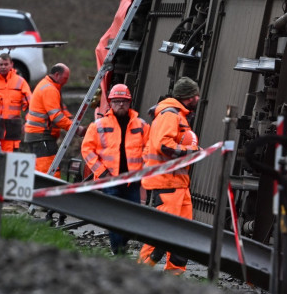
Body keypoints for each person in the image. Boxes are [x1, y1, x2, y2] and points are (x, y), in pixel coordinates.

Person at [137, 77, 200, 275]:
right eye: (196, 94)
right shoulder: (170, 115)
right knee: (160, 233)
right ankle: (141, 271)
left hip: (178, 184)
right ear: (190, 97)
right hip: (167, 184)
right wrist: (191, 151)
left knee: (182, 233)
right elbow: (164, 146)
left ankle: (174, 275)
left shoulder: (177, 115)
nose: (198, 98)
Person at [81, 83, 150, 255]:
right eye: (117, 101)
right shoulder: (98, 125)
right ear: (110, 103)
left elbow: (149, 149)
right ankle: (117, 251)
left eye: (124, 101)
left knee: (133, 217)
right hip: (109, 180)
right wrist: (102, 172)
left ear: (130, 102)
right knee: (113, 217)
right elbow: (87, 150)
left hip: (132, 181)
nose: (120, 104)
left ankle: (121, 245)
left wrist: (144, 171)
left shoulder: (141, 126)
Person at [23, 63, 86, 178]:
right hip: (41, 136)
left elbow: (61, 109)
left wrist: (71, 120)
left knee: (44, 169)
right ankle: (51, 194)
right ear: (57, 75)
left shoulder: (50, 86)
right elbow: (57, 117)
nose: (66, 81)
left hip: (39, 136)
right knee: (48, 171)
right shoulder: (50, 89)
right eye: (65, 78)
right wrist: (76, 129)